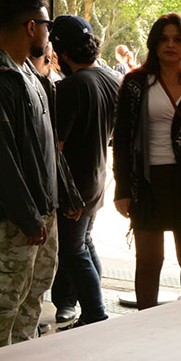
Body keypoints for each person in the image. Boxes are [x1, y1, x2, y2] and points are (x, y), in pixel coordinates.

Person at [0, 0, 82, 350]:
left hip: (39, 213)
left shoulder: (30, 75)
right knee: (4, 306)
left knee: (33, 299)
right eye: (47, 25)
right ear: (31, 27)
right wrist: (27, 217)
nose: (50, 33)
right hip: (12, 218)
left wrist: (67, 193)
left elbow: (46, 144)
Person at [112, 14, 181, 309]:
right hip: (147, 181)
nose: (170, 45)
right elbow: (122, 138)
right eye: (164, 39)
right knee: (149, 260)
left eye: (177, 39)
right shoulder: (136, 82)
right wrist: (123, 189)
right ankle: (146, 324)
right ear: (154, 44)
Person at [49, 16, 121, 326]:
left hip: (74, 184)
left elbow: (58, 144)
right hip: (98, 176)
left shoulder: (72, 86)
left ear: (62, 53)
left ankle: (94, 313)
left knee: (71, 251)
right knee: (85, 243)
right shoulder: (111, 79)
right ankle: (93, 307)